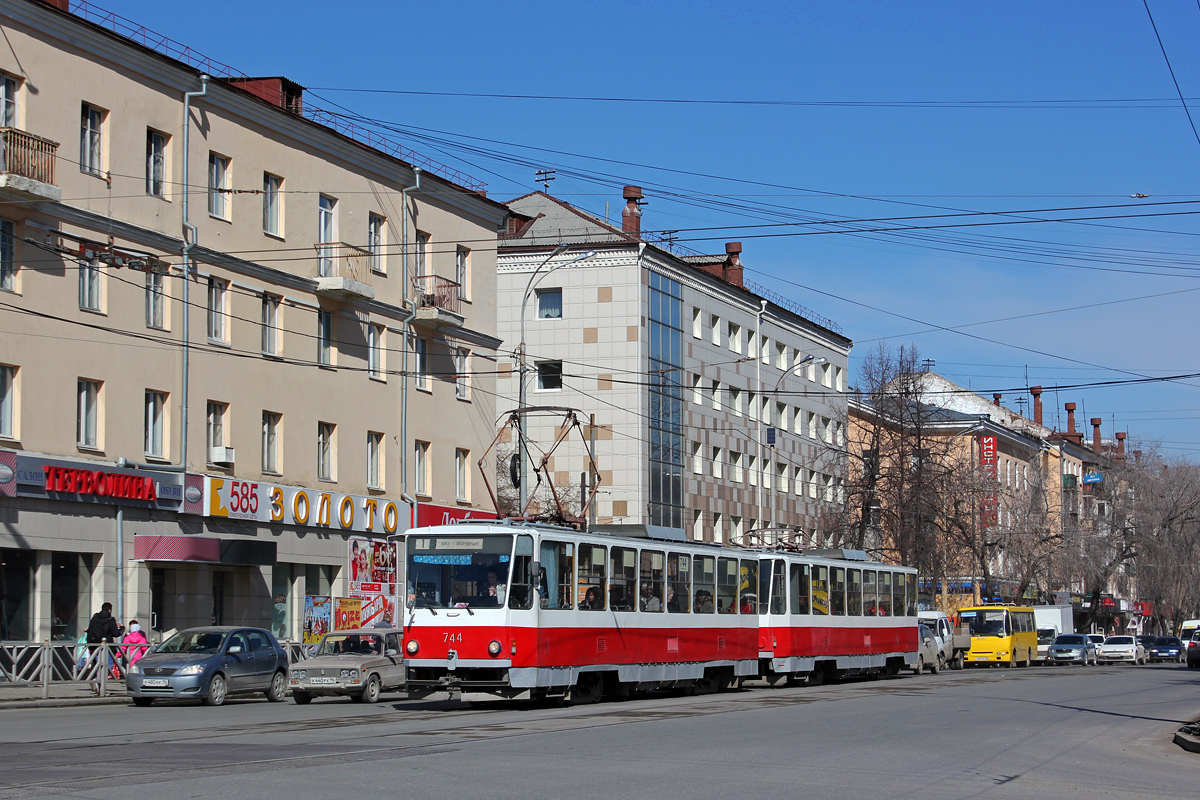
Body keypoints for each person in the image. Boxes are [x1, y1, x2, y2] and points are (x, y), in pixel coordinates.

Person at [85, 602, 123, 692]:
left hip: (95, 646)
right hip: (107, 646)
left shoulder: (95, 618)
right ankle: (98, 681)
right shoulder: (110, 620)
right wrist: (122, 628)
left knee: (98, 664)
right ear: (109, 610)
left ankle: (96, 681)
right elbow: (115, 633)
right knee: (108, 665)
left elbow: (89, 631)